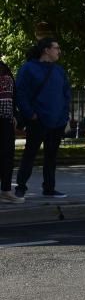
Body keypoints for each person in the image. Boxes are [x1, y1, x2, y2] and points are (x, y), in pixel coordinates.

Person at [14, 38, 71, 199]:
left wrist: (64, 115)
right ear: (46, 50)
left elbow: (66, 94)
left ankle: (49, 188)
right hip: (37, 121)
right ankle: (20, 188)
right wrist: (30, 113)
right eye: (56, 48)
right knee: (29, 155)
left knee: (51, 157)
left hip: (57, 122)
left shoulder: (59, 71)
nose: (59, 51)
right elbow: (21, 93)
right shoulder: (28, 68)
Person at [0, 58, 23, 204]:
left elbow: (13, 93)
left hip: (6, 119)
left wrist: (15, 114)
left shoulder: (4, 68)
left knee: (7, 156)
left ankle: (6, 191)